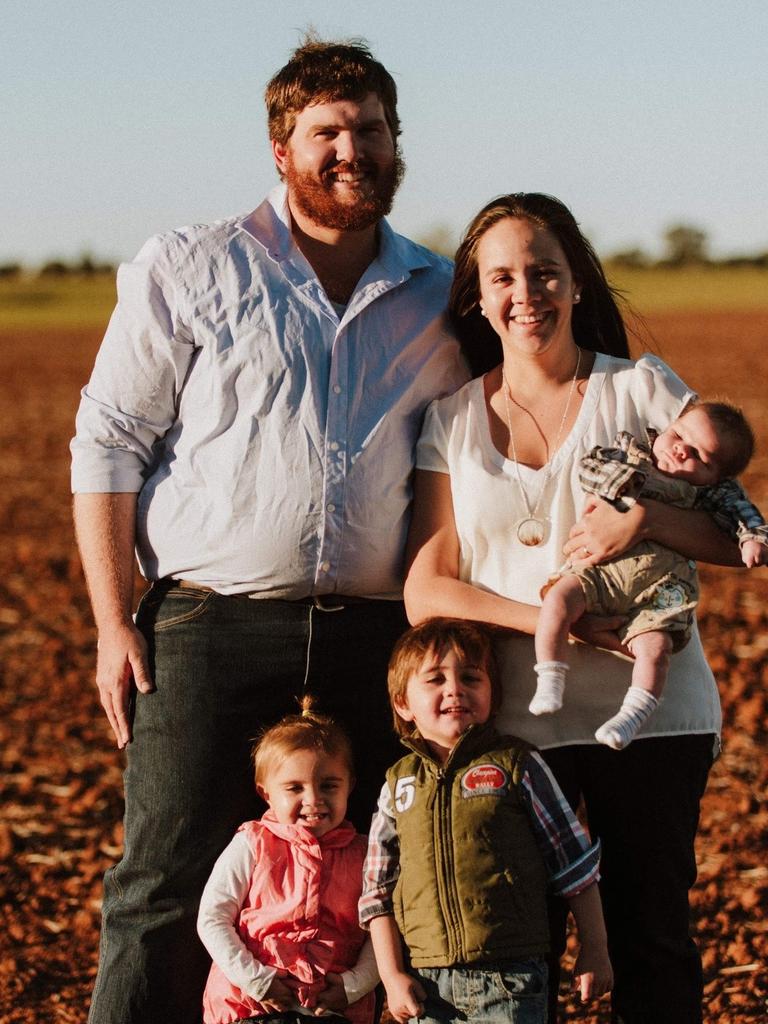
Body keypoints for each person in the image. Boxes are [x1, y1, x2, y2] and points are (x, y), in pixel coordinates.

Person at [70, 37, 467, 1024]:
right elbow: (109, 441)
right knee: (163, 880)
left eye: (371, 129)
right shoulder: (193, 266)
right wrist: (115, 621)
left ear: (396, 142)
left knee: (382, 886)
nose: (352, 148)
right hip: (208, 623)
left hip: (378, 636)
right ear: (282, 146)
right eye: (327, 130)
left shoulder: (439, 291)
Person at [403, 192, 743, 1023]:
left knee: (651, 938)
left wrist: (646, 519)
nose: (528, 293)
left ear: (577, 284)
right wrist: (559, 623)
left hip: (655, 717)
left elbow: (738, 540)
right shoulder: (449, 420)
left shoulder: (641, 389)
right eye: (505, 277)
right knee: (519, 954)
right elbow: (426, 589)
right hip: (517, 721)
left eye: (546, 272)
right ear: (478, 298)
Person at [359, 618, 613, 1024]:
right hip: (428, 985)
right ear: (402, 703)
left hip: (509, 978)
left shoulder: (517, 766)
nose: (455, 689)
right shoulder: (398, 784)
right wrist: (391, 975)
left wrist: (595, 946)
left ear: (493, 697)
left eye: (470, 677)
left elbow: (575, 864)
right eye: (435, 680)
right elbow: (377, 892)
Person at [532, 401, 768, 748]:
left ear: (717, 478)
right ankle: (550, 677)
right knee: (557, 601)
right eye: (678, 435)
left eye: (699, 456)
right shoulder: (630, 455)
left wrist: (750, 538)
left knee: (655, 650)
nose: (680, 449)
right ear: (664, 429)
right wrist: (621, 488)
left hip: (660, 588)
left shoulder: (713, 494)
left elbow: (744, 515)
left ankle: (633, 714)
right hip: (601, 571)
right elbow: (590, 468)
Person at [197, 699, 378, 1024]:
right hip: (251, 1007)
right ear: (266, 793)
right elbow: (212, 917)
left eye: (329, 785)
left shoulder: (365, 854)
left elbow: (382, 927)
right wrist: (256, 981)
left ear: (350, 785)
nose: (313, 799)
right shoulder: (253, 844)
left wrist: (353, 987)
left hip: (332, 1009)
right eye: (294, 788)